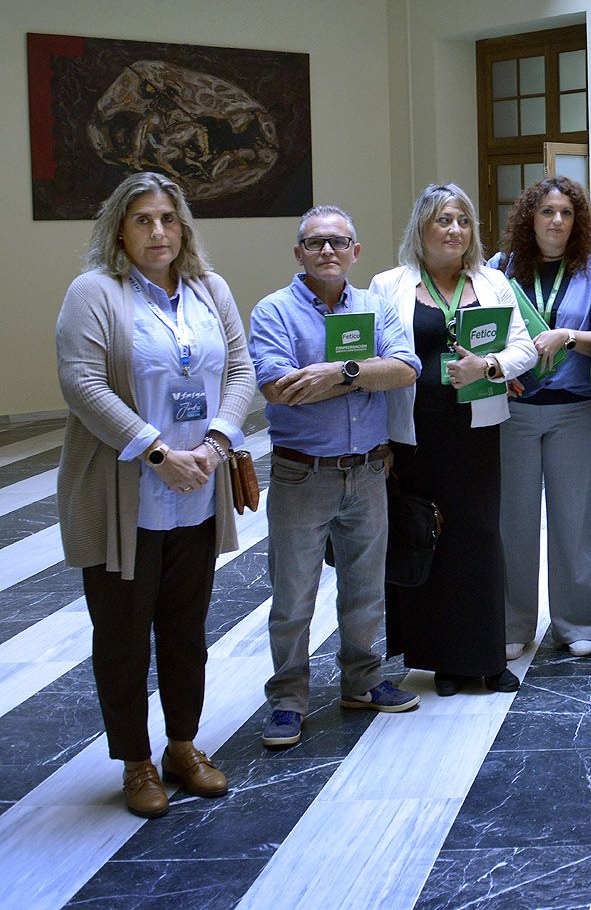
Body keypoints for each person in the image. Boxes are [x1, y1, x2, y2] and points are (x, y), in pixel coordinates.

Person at [55, 172, 254, 817]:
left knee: (185, 629)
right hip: (127, 497)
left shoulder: (210, 289)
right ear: (120, 228)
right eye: (143, 220)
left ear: (184, 226)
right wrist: (159, 452)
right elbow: (84, 385)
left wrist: (216, 445)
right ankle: (136, 761)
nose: (158, 232)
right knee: (121, 635)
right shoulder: (95, 293)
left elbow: (241, 371)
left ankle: (182, 745)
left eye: (168, 219)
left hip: (196, 492)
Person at [248, 205, 423, 750]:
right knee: (294, 596)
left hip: (369, 472)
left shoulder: (373, 307)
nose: (328, 251)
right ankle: (288, 700)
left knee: (366, 589)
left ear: (356, 251)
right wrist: (365, 377)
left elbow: (406, 367)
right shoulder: (273, 311)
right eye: (316, 243)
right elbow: (279, 387)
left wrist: (339, 371)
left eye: (339, 242)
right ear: (297, 252)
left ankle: (363, 680)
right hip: (304, 475)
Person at [370, 183, 536, 697]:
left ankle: (484, 657)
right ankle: (440, 658)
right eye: (443, 219)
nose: (454, 229)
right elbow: (377, 360)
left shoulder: (493, 283)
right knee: (425, 535)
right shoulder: (388, 284)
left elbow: (526, 349)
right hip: (414, 430)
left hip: (476, 427)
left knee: (479, 537)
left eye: (463, 220)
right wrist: (382, 441)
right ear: (421, 228)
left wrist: (488, 365)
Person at [490, 177, 591, 660]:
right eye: (547, 211)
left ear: (577, 220)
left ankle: (578, 620)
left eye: (565, 212)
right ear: (530, 217)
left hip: (574, 412)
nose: (557, 221)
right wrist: (502, 367)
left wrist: (566, 335)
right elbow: (484, 331)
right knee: (514, 522)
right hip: (514, 412)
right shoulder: (501, 270)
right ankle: (513, 623)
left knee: (576, 521)